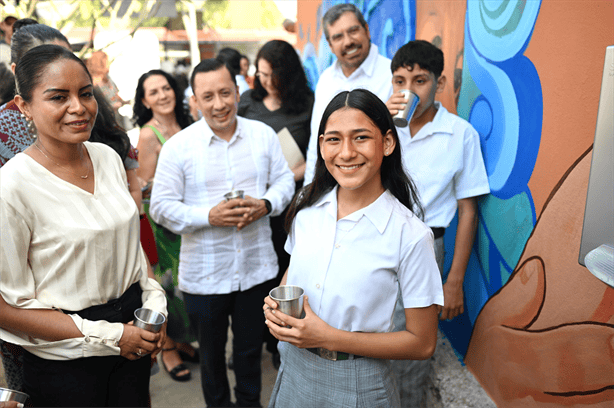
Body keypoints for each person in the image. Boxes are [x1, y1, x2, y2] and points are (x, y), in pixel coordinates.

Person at [0, 44, 167, 407]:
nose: (78, 107)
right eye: (58, 97)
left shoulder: (107, 158)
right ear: (23, 106)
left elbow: (130, 249)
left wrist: (155, 308)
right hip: (66, 362)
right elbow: (5, 306)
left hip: (132, 337)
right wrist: (109, 335)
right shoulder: (12, 186)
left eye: (86, 93)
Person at [263, 89, 444, 408]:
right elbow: (293, 273)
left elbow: (422, 343)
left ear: (387, 143)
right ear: (321, 146)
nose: (346, 153)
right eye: (333, 139)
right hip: (294, 368)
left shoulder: (410, 235)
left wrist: (326, 337)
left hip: (360, 383)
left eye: (360, 137)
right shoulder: (307, 214)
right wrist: (278, 307)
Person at [150, 58, 295, 407]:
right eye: (208, 96)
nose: (219, 104)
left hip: (256, 270)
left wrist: (265, 204)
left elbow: (286, 180)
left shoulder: (262, 135)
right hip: (205, 275)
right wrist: (208, 216)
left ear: (238, 91)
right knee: (212, 360)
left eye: (226, 93)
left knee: (248, 354)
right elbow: (160, 207)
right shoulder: (178, 147)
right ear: (195, 101)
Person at [385, 40, 490, 407]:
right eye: (400, 81)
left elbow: (468, 209)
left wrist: (455, 279)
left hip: (430, 247)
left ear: (440, 83)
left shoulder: (460, 134)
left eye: (419, 80)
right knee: (372, 334)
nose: (408, 91)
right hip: (378, 240)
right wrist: (379, 122)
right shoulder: (384, 129)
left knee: (413, 347)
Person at [0, 19, 72, 393]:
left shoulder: (84, 118)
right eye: (39, 61)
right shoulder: (2, 132)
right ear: (16, 73)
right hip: (26, 301)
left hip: (88, 293)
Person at [237, 39, 314, 368]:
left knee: (285, 270)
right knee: (255, 276)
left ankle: (279, 341)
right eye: (260, 73)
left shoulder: (308, 105)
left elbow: (316, 156)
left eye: (272, 74)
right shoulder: (247, 102)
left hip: (291, 203)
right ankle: (255, 340)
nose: (265, 81)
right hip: (252, 203)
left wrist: (288, 176)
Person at [132, 68, 196, 382]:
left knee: (188, 285)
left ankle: (183, 340)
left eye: (166, 88)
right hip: (162, 225)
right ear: (145, 100)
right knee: (167, 286)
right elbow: (143, 185)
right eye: (154, 91)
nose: (163, 95)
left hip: (190, 218)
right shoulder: (147, 134)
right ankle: (168, 348)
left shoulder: (189, 124)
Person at [303, 3, 393, 184]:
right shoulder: (326, 80)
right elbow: (316, 143)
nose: (348, 41)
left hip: (382, 188)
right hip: (333, 190)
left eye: (353, 31)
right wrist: (308, 192)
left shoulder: (393, 76)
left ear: (366, 30)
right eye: (338, 37)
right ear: (330, 44)